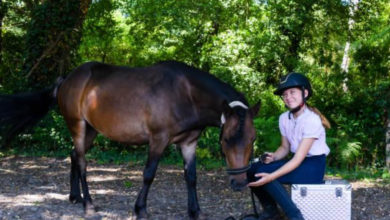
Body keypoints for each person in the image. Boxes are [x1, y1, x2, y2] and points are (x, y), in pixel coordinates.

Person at [245, 72, 331, 220]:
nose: (288, 97)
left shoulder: (312, 120)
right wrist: (273, 157)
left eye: (292, 92)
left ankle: (295, 216)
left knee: (267, 175)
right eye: (284, 94)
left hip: (313, 167)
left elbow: (297, 159)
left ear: (305, 93)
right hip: (297, 162)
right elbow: (284, 148)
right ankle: (272, 212)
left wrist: (271, 176)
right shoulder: (284, 118)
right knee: (252, 169)